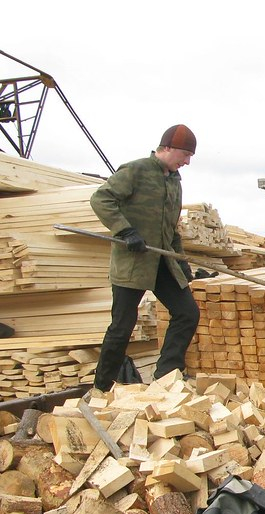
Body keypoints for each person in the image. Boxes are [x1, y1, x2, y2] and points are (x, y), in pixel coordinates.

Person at [89, 124, 201, 391]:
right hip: (133, 263)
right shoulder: (136, 170)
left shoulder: (174, 182)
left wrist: (181, 261)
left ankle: (166, 376)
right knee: (122, 326)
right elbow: (101, 199)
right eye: (184, 155)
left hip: (162, 263)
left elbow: (171, 228)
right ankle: (102, 387)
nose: (186, 162)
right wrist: (125, 230)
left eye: (189, 157)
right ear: (167, 148)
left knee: (187, 312)